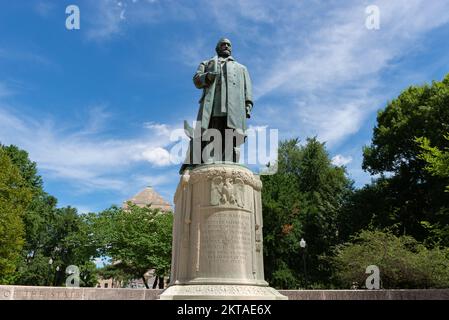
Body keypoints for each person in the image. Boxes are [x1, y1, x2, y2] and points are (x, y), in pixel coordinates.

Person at [180, 38, 253, 173]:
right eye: (223, 44)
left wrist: (248, 105)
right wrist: (207, 77)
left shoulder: (241, 68)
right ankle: (208, 158)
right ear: (217, 48)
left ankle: (229, 160)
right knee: (210, 130)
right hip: (212, 104)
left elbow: (247, 89)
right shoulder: (207, 63)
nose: (226, 46)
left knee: (230, 132)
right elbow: (196, 79)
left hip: (234, 107)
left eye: (228, 44)